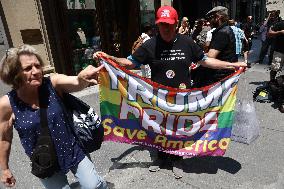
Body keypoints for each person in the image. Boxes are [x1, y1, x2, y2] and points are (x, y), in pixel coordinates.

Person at [94, 6, 246, 179]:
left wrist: (233, 65)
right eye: (162, 24)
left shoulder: (187, 42)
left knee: (179, 129)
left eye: (169, 24)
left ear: (175, 24)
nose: (165, 28)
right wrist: (111, 58)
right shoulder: (150, 44)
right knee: (159, 129)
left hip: (182, 98)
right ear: (157, 25)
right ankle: (160, 157)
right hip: (157, 99)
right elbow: (130, 62)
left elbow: (206, 61)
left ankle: (177, 159)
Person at [0, 45, 108, 189]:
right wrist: (5, 168)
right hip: (44, 158)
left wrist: (82, 78)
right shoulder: (7, 104)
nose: (36, 71)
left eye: (37, 66)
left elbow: (76, 82)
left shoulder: (52, 83)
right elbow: (4, 138)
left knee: (94, 185)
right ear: (14, 74)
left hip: (72, 147)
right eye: (28, 68)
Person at [193, 6, 239, 87]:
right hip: (224, 73)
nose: (209, 21)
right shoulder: (226, 29)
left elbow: (211, 56)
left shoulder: (222, 32)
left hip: (218, 76)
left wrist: (194, 55)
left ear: (218, 17)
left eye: (210, 18)